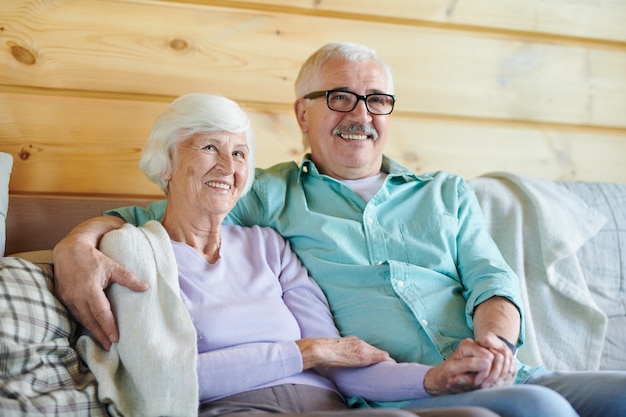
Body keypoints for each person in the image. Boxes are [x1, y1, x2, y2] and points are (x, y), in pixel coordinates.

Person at [53, 43, 626, 417]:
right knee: (540, 411)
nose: (361, 114)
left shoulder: (445, 193)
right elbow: (161, 215)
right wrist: (76, 243)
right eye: (339, 97)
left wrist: (496, 345)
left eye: (376, 99)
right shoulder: (271, 195)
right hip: (393, 394)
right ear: (302, 114)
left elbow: (490, 280)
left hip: (497, 367)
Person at [78, 92, 496, 417]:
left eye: (239, 153)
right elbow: (163, 379)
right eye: (208, 147)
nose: (228, 166)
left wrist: (435, 379)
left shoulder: (268, 246)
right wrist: (307, 352)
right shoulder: (136, 250)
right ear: (166, 163)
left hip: (328, 406)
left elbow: (341, 360)